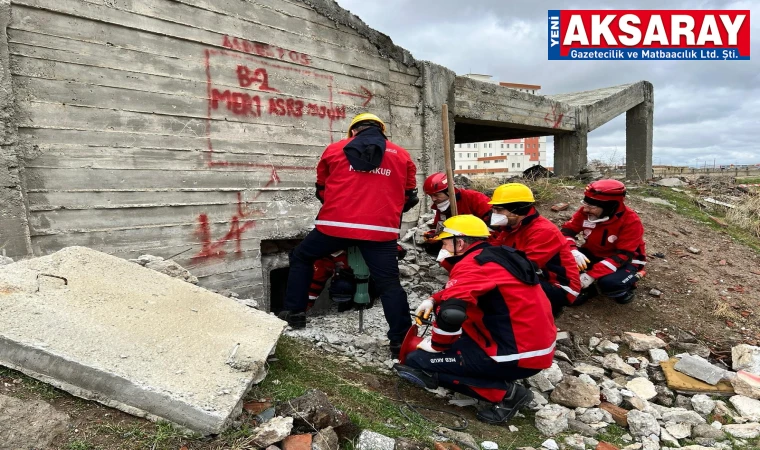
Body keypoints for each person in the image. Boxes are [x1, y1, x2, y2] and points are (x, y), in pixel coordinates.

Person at [394, 215, 556, 424]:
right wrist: (435, 299)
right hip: (532, 345)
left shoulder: (472, 265)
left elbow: (452, 314)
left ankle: (508, 394)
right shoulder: (493, 255)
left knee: (418, 361)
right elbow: (472, 286)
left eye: (445, 242)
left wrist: (436, 345)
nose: (443, 248)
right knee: (457, 347)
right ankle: (491, 373)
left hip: (515, 352)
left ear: (459, 242)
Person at [279, 113, 417, 358]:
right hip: (381, 231)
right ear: (382, 131)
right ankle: (401, 342)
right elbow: (409, 197)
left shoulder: (334, 149)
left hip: (335, 226)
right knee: (389, 285)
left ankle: (295, 314)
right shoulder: (402, 155)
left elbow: (321, 189)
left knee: (301, 257)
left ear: (353, 132)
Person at [487, 183, 581, 317]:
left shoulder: (543, 231)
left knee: (501, 285)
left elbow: (525, 266)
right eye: (494, 209)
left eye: (499, 210)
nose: (494, 214)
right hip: (537, 276)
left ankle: (547, 310)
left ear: (517, 210)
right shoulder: (513, 226)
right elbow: (495, 249)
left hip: (560, 287)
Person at [561, 179, 646, 304]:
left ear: (609, 206)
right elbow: (566, 232)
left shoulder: (631, 221)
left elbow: (622, 256)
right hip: (593, 253)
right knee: (558, 257)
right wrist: (573, 251)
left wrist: (591, 275)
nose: (586, 209)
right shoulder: (585, 212)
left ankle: (626, 286)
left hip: (625, 260)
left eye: (592, 206)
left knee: (610, 284)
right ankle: (589, 289)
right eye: (585, 203)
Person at [421, 172, 492, 255]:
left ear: (449, 191)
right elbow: (441, 228)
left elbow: (495, 225)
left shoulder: (473, 198)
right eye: (430, 196)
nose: (433, 199)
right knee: (432, 247)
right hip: (457, 244)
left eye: (436, 195)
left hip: (480, 243)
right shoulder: (441, 207)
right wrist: (433, 235)